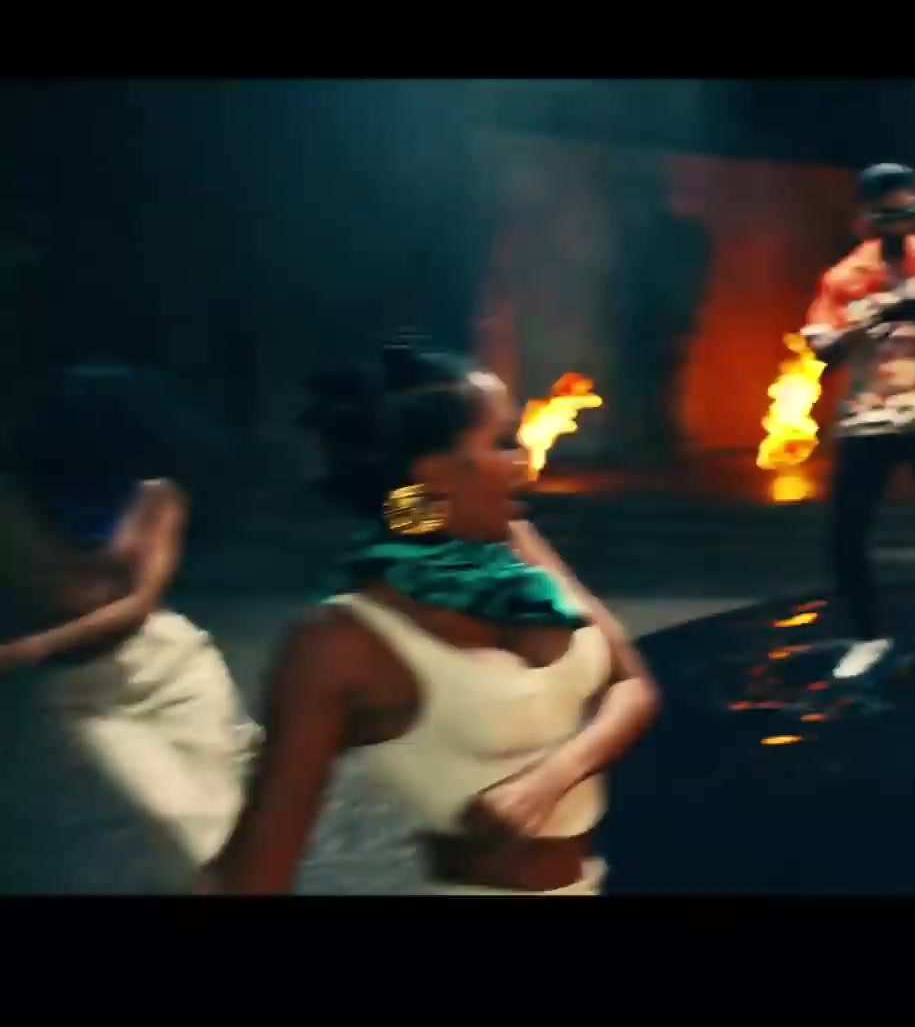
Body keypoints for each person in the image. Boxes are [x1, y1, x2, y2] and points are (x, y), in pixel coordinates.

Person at [203, 340, 660, 894]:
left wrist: (548, 781)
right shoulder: (339, 642)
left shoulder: (514, 545)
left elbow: (633, 684)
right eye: (503, 442)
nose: (525, 461)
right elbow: (256, 874)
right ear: (437, 473)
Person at [0, 366, 258, 886]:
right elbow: (43, 584)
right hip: (85, 697)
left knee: (226, 833)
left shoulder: (157, 495)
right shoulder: (17, 502)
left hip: (172, 663)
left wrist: (30, 649)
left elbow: (139, 603)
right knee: (183, 825)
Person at [802, 163, 915, 683]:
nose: (899, 223)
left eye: (907, 211)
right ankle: (869, 635)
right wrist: (870, 321)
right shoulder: (842, 276)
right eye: (886, 214)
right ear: (866, 216)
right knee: (846, 532)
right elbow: (822, 351)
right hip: (870, 414)